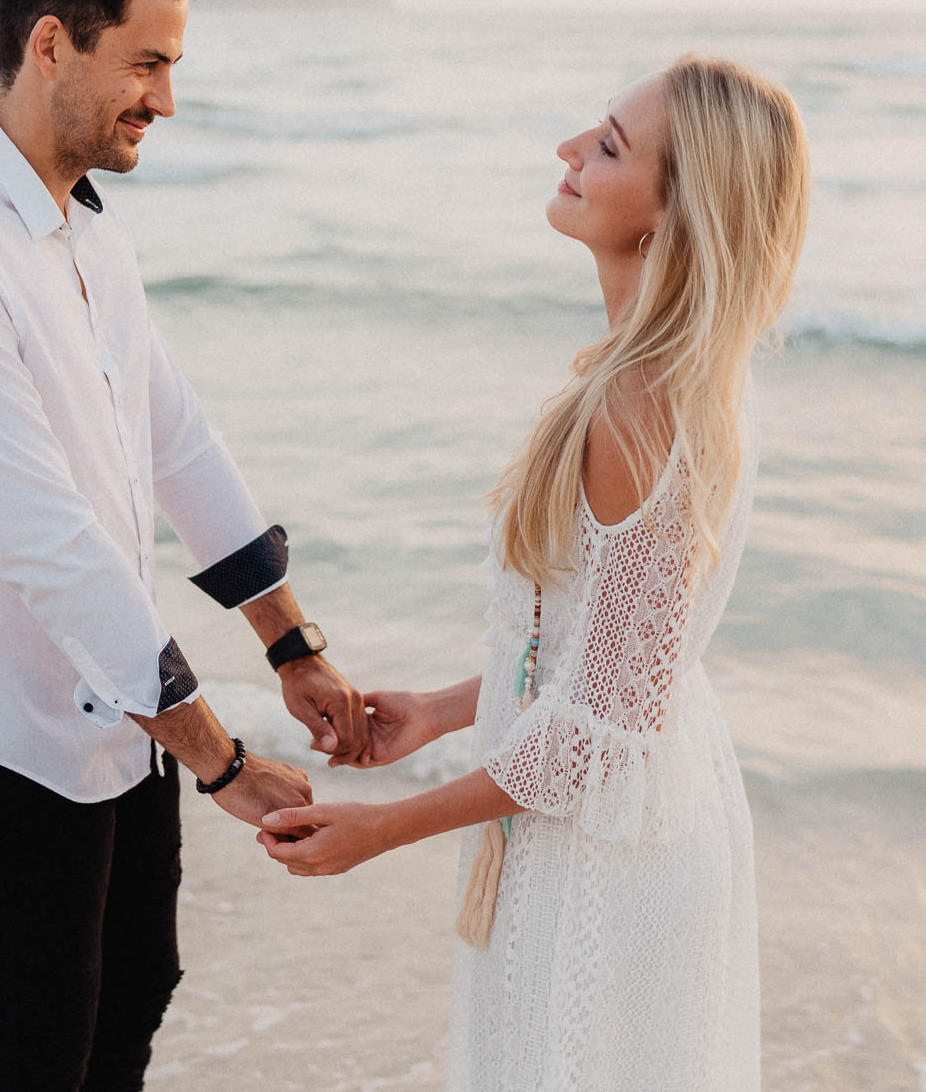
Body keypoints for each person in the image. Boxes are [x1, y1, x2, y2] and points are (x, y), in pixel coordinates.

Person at [0, 0, 370, 1092]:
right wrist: (223, 760)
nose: (166, 100)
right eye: (146, 63)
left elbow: (178, 440)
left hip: (115, 728)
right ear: (49, 45)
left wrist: (295, 647)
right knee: (42, 1051)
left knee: (135, 1001)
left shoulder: (92, 233)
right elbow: (46, 540)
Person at [257, 55, 811, 1091]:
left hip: (608, 844)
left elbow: (599, 739)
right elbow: (599, 659)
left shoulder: (641, 400)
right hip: (631, 812)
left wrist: (383, 830)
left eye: (607, 146)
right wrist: (438, 709)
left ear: (673, 213)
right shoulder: (664, 374)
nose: (569, 151)